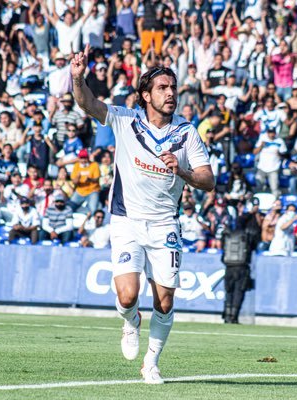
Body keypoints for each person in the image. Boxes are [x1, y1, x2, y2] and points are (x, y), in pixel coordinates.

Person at [72, 46, 214, 383]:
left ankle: (151, 362)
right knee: (127, 296)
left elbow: (208, 181)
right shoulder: (125, 119)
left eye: (173, 88)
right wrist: (78, 78)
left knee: (164, 301)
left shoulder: (186, 132)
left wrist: (183, 172)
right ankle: (130, 320)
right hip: (126, 220)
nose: (170, 94)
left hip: (166, 224)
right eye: (163, 88)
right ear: (145, 94)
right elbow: (88, 104)